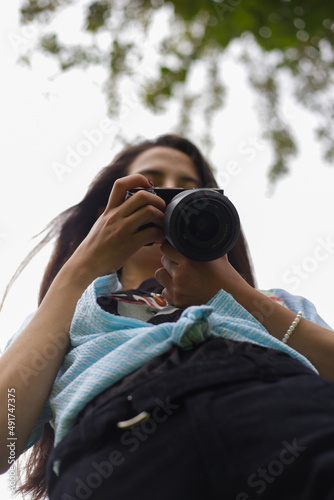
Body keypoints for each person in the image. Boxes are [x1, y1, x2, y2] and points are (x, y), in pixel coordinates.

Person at [0, 134, 334, 500]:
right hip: (117, 453)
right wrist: (82, 269)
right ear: (104, 214)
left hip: (287, 416)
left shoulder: (279, 302)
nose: (169, 194)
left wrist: (236, 295)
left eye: (190, 188)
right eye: (151, 183)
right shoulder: (57, 317)